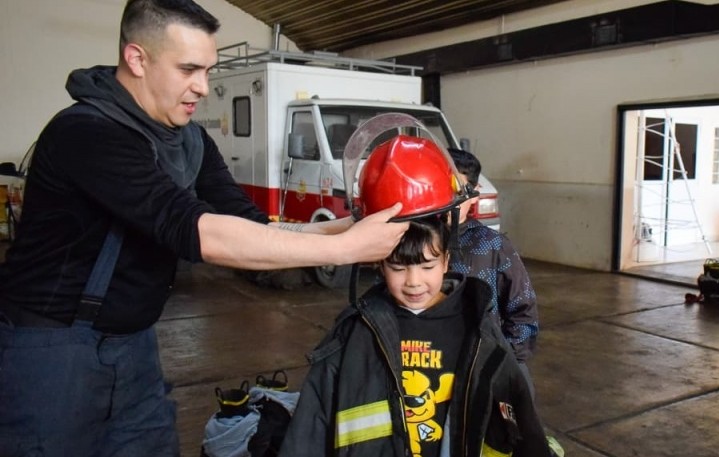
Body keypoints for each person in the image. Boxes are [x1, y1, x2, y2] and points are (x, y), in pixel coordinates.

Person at [0, 1, 408, 455]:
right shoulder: (87, 133)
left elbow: (247, 224)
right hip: (53, 352)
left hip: (133, 348)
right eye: (188, 69)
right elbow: (196, 231)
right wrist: (345, 250)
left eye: (208, 71)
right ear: (137, 59)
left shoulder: (189, 139)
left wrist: (349, 228)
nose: (203, 88)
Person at [277, 134, 551, 457]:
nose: (413, 282)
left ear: (448, 259)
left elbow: (522, 426)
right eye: (398, 267)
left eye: (427, 266)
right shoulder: (354, 334)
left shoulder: (479, 330)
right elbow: (309, 431)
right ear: (378, 263)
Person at [447, 147, 539, 396]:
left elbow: (523, 310)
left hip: (485, 366)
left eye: (458, 192)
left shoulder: (493, 246)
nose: (448, 201)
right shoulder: (417, 243)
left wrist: (506, 361)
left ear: (474, 195)